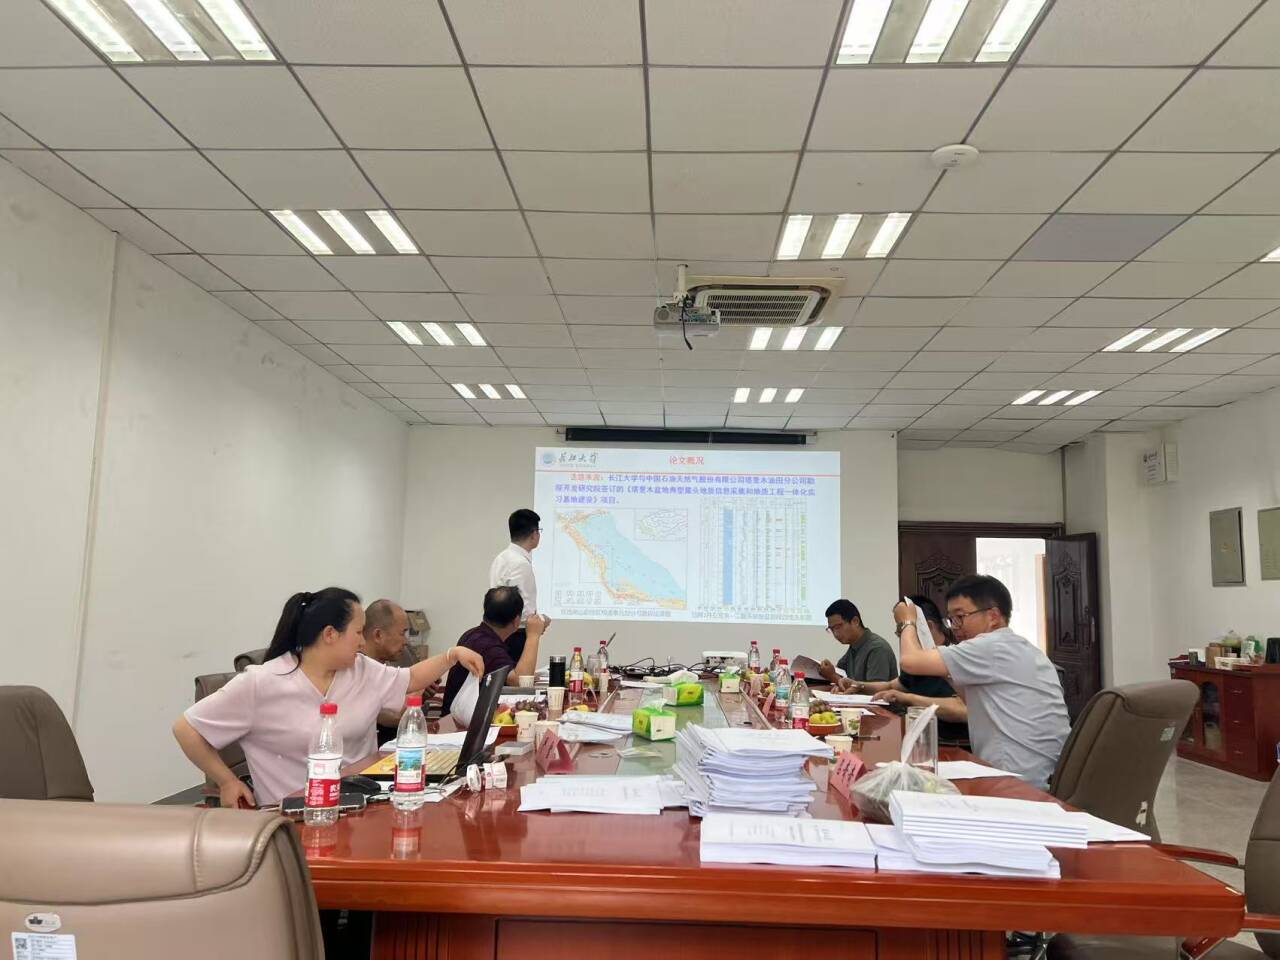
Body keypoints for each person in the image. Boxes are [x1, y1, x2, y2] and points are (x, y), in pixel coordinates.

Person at [173, 587, 484, 809]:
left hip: (366, 805)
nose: (362, 642)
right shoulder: (262, 682)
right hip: (296, 819)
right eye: (358, 633)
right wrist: (227, 781)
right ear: (330, 634)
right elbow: (186, 729)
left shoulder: (360, 669)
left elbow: (410, 679)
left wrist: (452, 656)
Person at [894, 574, 1069, 790]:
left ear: (993, 616)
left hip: (1014, 783)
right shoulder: (1021, 648)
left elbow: (909, 661)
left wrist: (907, 621)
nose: (955, 627)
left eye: (961, 616)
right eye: (951, 619)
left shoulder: (991, 646)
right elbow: (968, 702)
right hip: (1042, 778)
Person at [839, 595, 969, 745]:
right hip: (918, 738)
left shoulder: (954, 655)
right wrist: (859, 686)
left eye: (905, 629)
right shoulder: (921, 662)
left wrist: (908, 698)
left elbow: (961, 709)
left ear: (928, 627)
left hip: (951, 742)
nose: (902, 636)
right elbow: (892, 686)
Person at [441, 586, 548, 721]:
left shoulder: (474, 634)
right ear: (516, 621)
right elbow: (520, 681)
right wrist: (533, 635)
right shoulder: (487, 645)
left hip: (461, 717)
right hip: (462, 723)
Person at [819, 599, 896, 684]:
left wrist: (833, 676)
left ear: (855, 621)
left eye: (838, 627)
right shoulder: (853, 648)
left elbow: (876, 689)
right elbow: (840, 674)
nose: (835, 634)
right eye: (831, 629)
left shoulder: (877, 648)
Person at [360, 598, 412, 666]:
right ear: (378, 635)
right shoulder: (352, 669)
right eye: (402, 633)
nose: (406, 642)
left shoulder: (402, 658)